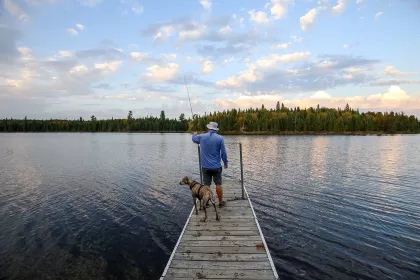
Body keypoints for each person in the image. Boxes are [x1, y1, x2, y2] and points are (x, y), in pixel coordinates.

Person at [192, 122, 228, 207]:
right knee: (218, 184)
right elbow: (223, 152)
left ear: (209, 128)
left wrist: (194, 133)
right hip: (216, 166)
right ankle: (220, 202)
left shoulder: (202, 137)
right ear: (215, 129)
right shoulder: (220, 138)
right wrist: (225, 162)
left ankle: (206, 202)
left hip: (205, 166)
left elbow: (194, 139)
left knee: (206, 185)